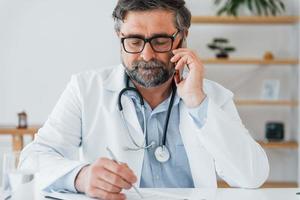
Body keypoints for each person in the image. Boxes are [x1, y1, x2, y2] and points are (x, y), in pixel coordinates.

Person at [20, 0, 269, 199]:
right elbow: (31, 161)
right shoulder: (85, 89)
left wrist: (197, 103)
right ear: (119, 36)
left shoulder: (211, 97)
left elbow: (251, 176)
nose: (146, 54)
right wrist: (81, 177)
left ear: (182, 37)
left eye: (160, 41)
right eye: (135, 41)